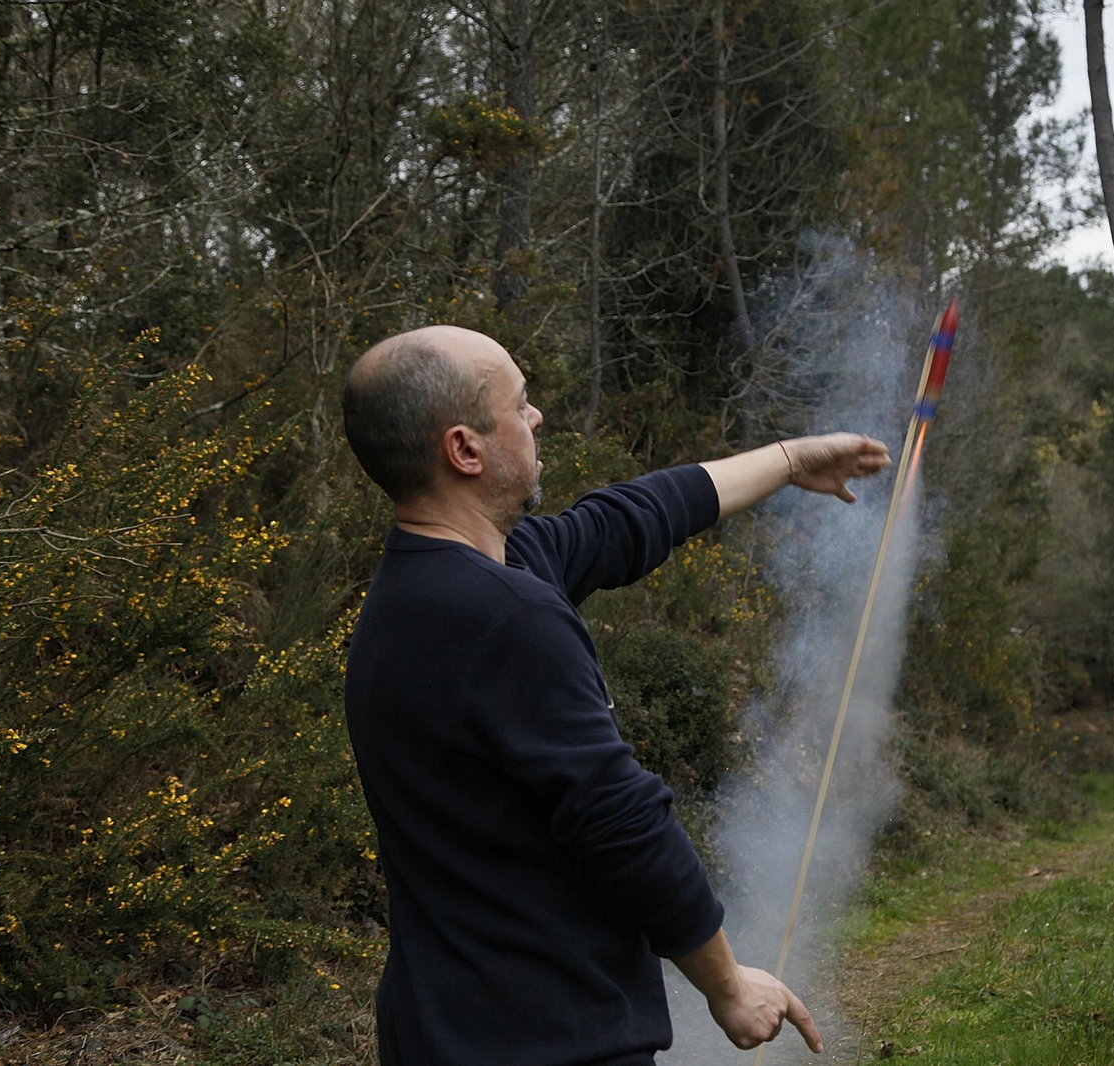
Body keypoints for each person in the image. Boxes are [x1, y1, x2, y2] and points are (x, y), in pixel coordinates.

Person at [340, 325, 891, 1066]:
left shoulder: (431, 589)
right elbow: (620, 821)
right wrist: (727, 985)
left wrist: (790, 461)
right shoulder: (505, 619)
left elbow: (633, 517)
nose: (536, 418)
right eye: (520, 404)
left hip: (447, 1031)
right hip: (545, 1041)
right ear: (465, 449)